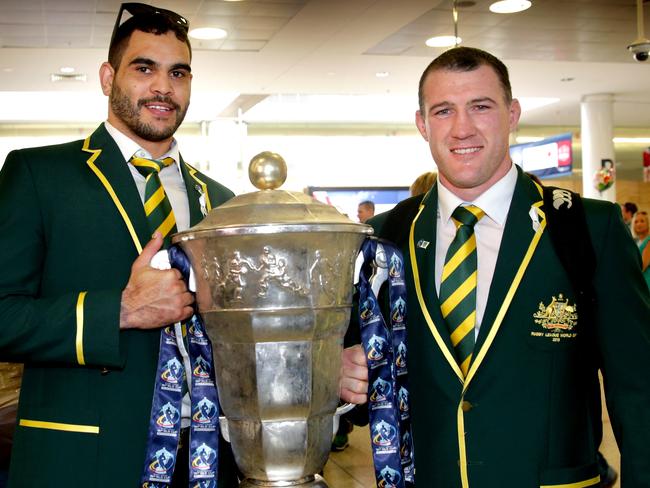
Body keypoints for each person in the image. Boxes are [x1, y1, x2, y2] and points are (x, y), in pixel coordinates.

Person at [340, 47, 650, 487]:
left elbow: (638, 393)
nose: (462, 128)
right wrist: (343, 378)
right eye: (444, 111)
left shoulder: (586, 229)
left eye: (481, 106)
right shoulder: (384, 238)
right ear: (422, 125)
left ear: (512, 114)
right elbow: (355, 381)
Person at [0, 4, 239, 486]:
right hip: (86, 458)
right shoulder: (39, 175)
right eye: (143, 68)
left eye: (178, 73)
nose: (163, 88)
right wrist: (121, 311)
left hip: (207, 458)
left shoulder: (221, 200)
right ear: (108, 77)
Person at [633, 210, 650, 290]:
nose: (638, 224)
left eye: (642, 221)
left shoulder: (649, 241)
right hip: (637, 282)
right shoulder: (635, 241)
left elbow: (642, 265)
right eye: (636, 222)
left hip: (646, 283)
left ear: (648, 224)